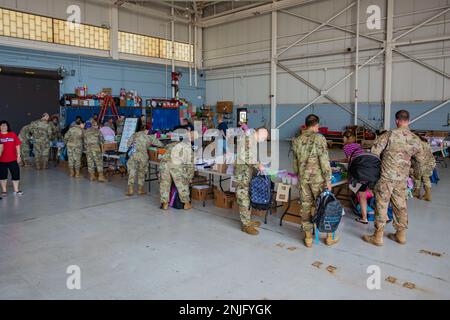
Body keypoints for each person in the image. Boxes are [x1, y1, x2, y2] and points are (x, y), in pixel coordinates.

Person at [363, 110, 425, 246]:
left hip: (386, 177)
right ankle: (401, 235)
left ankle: (378, 236)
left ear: (397, 120)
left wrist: (372, 175)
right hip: (402, 179)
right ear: (408, 120)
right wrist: (416, 178)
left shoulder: (388, 135)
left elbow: (373, 154)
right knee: (400, 205)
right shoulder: (415, 139)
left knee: (382, 204)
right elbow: (420, 161)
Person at [292, 114, 335, 248]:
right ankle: (328, 237)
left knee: (305, 207)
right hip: (318, 180)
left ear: (306, 125)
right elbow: (324, 160)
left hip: (304, 180)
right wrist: (328, 180)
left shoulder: (297, 140)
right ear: (317, 125)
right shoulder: (319, 138)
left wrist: (299, 175)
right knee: (324, 206)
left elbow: (295, 163)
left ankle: (308, 238)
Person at [234, 127, 268, 236]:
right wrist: (258, 165)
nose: (264, 140)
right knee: (243, 199)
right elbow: (246, 157)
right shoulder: (248, 140)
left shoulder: (251, 141)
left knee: (247, 197)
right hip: (242, 175)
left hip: (246, 173)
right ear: (260, 134)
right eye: (265, 138)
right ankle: (246, 225)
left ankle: (248, 220)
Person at [159, 132, 195, 210]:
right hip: (176, 166)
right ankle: (186, 204)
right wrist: (189, 177)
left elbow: (161, 154)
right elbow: (190, 165)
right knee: (182, 184)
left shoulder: (170, 144)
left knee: (164, 184)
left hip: (164, 164)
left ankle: (164, 204)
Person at [126, 125, 163, 196]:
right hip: (143, 157)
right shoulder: (149, 136)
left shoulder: (135, 134)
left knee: (132, 171)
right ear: (147, 130)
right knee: (142, 172)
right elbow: (160, 144)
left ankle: (130, 190)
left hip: (133, 156)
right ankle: (140, 190)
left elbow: (128, 144)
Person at [342, 130, 369, 224]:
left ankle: (364, 217)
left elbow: (350, 160)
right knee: (363, 191)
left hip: (358, 172)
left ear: (345, 138)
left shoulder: (345, 147)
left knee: (361, 195)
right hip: (366, 170)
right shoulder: (358, 145)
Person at [0, 120, 23, 196]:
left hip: (13, 159)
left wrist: (19, 155)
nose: (4, 127)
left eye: (5, 125)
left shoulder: (12, 134)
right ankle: (4, 191)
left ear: (8, 127)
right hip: (1, 160)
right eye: (2, 125)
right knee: (3, 176)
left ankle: (16, 190)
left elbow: (17, 145)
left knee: (16, 175)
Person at [411, 135, 435, 201]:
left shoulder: (417, 144)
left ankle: (417, 192)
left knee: (417, 177)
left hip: (421, 164)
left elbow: (413, 154)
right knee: (426, 178)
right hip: (430, 163)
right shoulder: (426, 143)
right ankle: (427, 194)